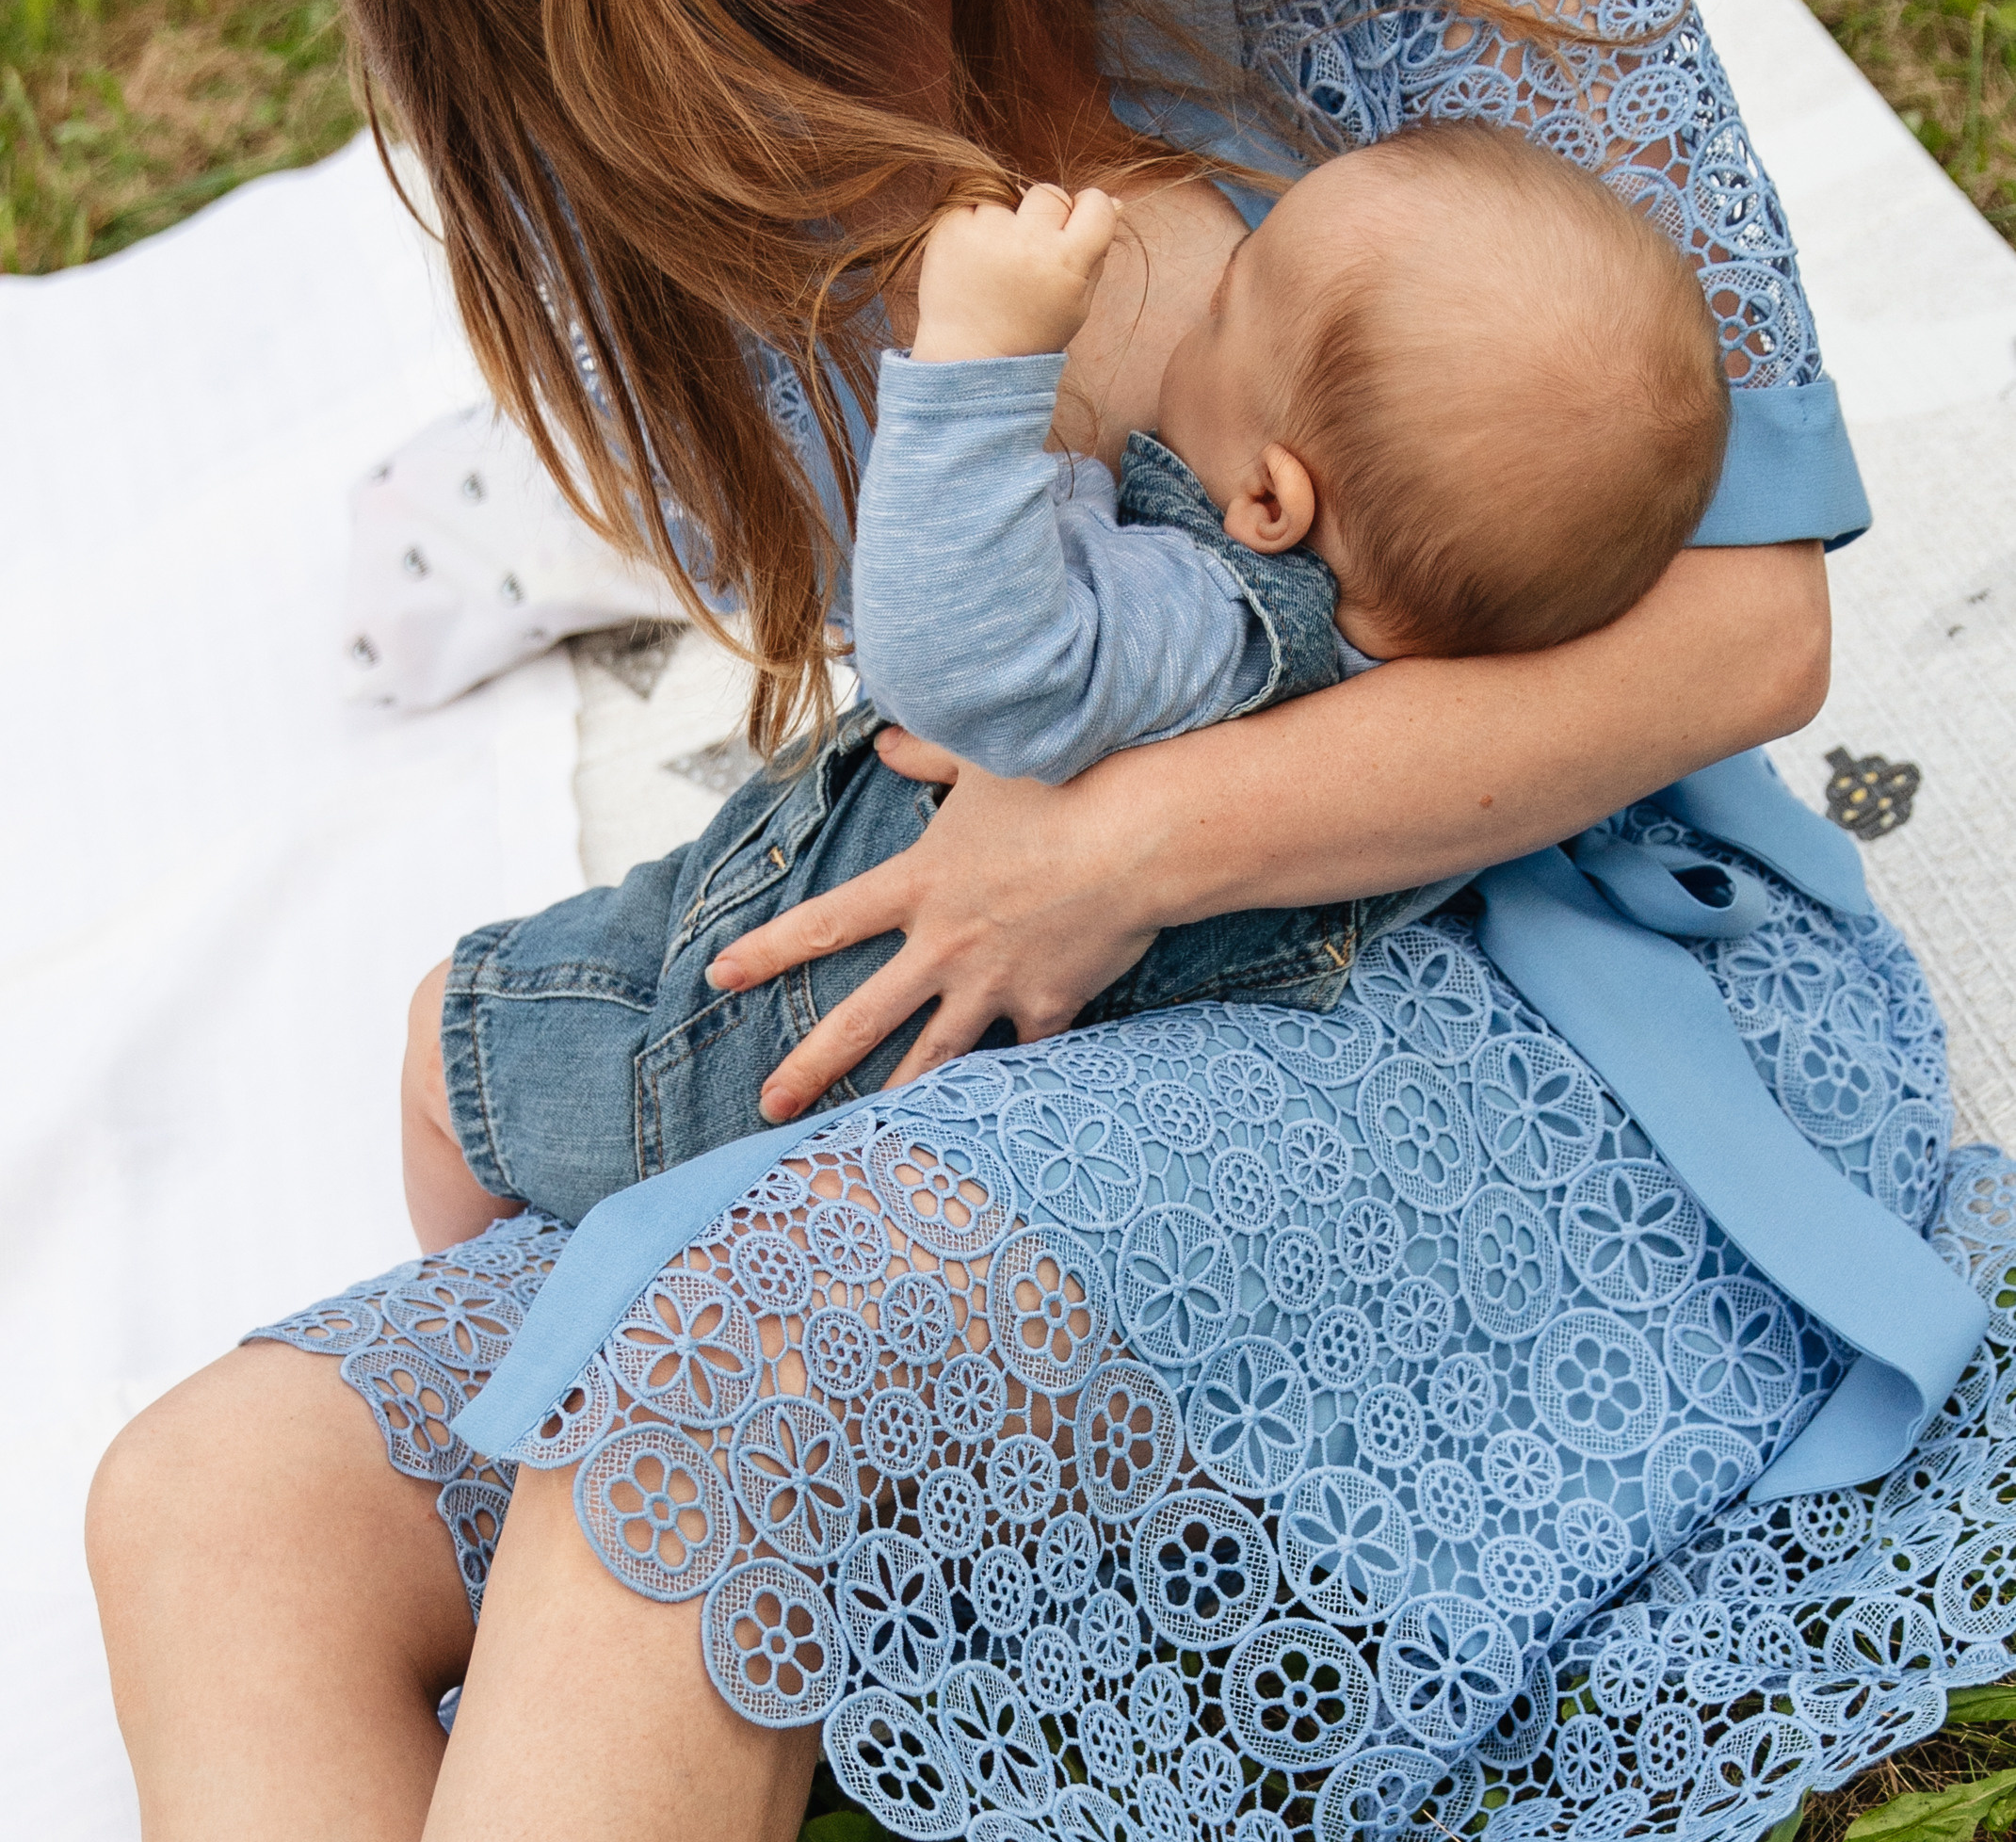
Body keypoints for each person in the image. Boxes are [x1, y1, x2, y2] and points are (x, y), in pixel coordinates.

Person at [84, 0, 2013, 1842]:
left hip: (1500, 981)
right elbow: (950, 682)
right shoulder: (702, 107)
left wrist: (1127, 846)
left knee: (710, 1391)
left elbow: (1747, 620)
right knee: (218, 1500)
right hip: (1047, 1037)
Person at [418, 125, 1733, 1235]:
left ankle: (467, 1324)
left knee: (442, 1044)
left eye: (1223, 308)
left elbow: (959, 663)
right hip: (905, 1069)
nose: (1191, 316)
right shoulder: (1404, 706)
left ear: (1270, 501)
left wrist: (977, 364)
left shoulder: (1211, 623)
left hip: (759, 1044)